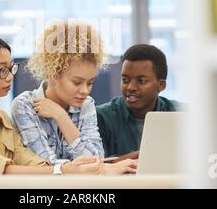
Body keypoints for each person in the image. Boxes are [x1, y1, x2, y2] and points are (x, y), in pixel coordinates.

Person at [0, 31, 133, 175]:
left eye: (11, 69)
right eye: (2, 70)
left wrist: (87, 169)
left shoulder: (1, 118)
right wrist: (65, 170)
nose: (9, 77)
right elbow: (0, 170)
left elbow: (30, 160)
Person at [12, 21, 136, 174]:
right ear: (54, 74)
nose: (85, 91)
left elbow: (96, 157)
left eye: (90, 82)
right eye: (77, 82)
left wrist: (61, 116)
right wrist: (95, 168)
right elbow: (44, 166)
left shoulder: (86, 104)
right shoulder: (25, 106)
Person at [96, 44, 180, 161]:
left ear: (161, 85)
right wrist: (148, 155)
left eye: (141, 81)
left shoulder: (179, 113)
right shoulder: (101, 117)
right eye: (125, 80)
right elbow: (96, 167)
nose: (131, 87)